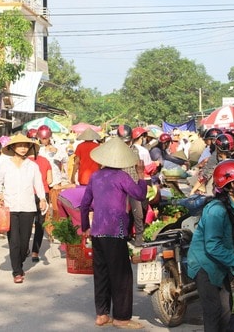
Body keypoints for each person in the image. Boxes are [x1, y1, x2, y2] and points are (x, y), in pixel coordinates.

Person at [79, 136, 148, 329]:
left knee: (101, 273)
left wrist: (85, 226)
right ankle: (121, 317)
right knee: (121, 275)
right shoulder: (122, 177)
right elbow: (140, 195)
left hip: (98, 232)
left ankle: (102, 314)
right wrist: (141, 175)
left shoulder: (95, 176)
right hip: (115, 231)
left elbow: (84, 204)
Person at [187, 159, 234, 332]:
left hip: (220, 263)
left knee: (226, 309)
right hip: (204, 264)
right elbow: (213, 246)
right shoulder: (216, 210)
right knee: (213, 311)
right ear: (229, 185)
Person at [0, 133, 47, 284]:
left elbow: (38, 184)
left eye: (26, 146)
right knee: (14, 241)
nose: (23, 148)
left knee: (24, 241)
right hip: (10, 207)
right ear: (13, 147)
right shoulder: (5, 165)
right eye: (20, 145)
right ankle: (17, 271)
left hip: (28, 207)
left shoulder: (33, 166)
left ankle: (22, 256)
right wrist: (0, 193)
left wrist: (42, 199)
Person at [117, 124, 146, 247]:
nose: (126, 143)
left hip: (133, 184)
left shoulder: (135, 150)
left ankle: (139, 236)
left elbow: (138, 167)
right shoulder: (116, 151)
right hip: (120, 186)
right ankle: (122, 237)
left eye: (128, 141)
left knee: (138, 213)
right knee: (121, 213)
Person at [28, 132, 52, 262]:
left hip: (27, 195)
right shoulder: (45, 161)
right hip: (43, 195)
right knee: (39, 223)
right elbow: (49, 180)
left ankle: (25, 247)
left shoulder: (25, 162)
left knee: (26, 223)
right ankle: (35, 252)